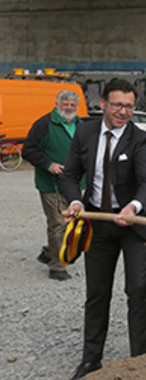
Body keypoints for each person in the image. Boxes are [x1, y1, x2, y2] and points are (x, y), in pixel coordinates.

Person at [61, 79, 146, 380]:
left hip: (134, 226)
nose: (123, 111)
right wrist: (76, 200)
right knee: (97, 293)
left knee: (137, 289)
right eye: (117, 104)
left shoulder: (140, 139)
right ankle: (91, 361)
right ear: (102, 104)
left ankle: (139, 363)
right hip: (99, 224)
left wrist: (132, 207)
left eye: (129, 106)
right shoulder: (85, 132)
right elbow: (69, 175)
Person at [22, 89, 84, 281]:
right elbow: (28, 150)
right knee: (58, 223)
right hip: (51, 185)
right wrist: (49, 164)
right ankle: (56, 267)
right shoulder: (44, 124)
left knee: (72, 224)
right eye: (65, 104)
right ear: (57, 105)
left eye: (72, 105)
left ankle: (50, 252)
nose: (69, 108)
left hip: (75, 184)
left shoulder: (81, 125)